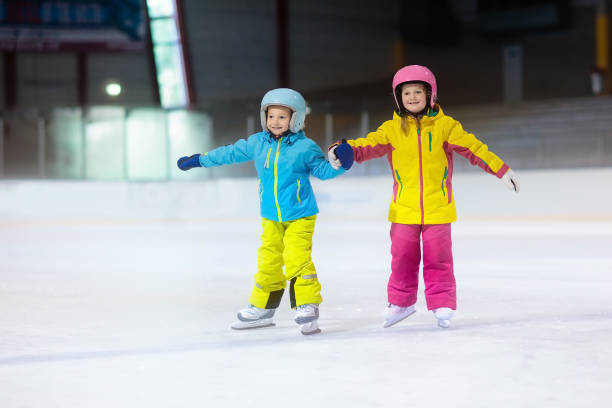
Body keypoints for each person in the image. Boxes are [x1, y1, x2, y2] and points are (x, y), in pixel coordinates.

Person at [328, 65, 520, 329]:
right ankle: (401, 302)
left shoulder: (446, 126)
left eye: (418, 91)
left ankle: (442, 302)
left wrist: (501, 169)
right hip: (404, 208)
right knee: (402, 256)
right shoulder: (391, 130)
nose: (412, 97)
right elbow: (366, 145)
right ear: (398, 97)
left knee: (438, 257)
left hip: (438, 207)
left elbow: (474, 148)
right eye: (406, 93)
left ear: (430, 94)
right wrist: (341, 149)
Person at [177, 88, 353, 335]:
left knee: (297, 258)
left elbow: (323, 171)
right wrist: (201, 159)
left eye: (282, 117)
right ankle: (263, 308)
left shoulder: (305, 147)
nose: (275, 122)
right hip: (271, 215)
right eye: (271, 116)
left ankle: (307, 305)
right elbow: (230, 153)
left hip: (300, 214)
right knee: (268, 261)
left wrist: (340, 163)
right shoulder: (257, 142)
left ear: (296, 118)